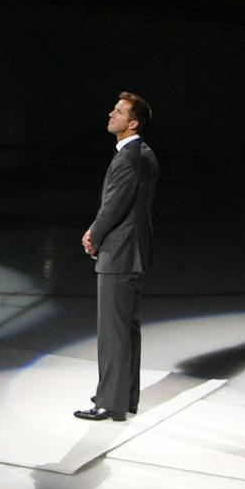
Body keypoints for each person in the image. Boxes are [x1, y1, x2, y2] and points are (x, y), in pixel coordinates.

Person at [77, 92, 159, 422]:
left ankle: (109, 403)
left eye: (119, 111)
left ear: (133, 122)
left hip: (120, 253)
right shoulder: (145, 154)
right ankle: (124, 398)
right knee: (126, 330)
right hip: (133, 252)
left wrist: (93, 235)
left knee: (113, 332)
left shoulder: (128, 158)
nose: (111, 114)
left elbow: (114, 205)